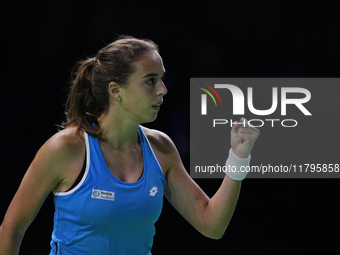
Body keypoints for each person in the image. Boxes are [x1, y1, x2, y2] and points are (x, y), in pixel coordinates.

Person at [0, 36, 260, 255]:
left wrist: (238, 159)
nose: (163, 89)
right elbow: (12, 228)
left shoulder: (161, 149)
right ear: (116, 90)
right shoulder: (66, 149)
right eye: (150, 81)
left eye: (162, 79)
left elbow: (211, 225)